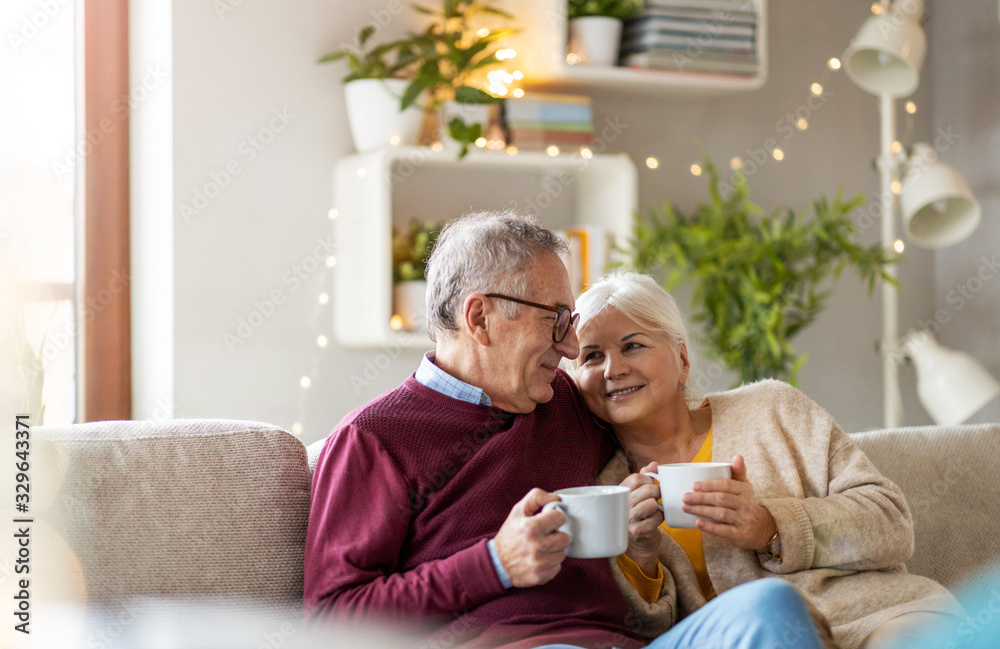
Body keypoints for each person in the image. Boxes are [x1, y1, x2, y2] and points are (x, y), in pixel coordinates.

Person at [304, 211, 828, 649]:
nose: (573, 349)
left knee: (770, 608)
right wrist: (493, 564)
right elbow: (334, 621)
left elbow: (658, 408)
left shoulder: (568, 404)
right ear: (481, 319)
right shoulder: (374, 439)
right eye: (556, 320)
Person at [570, 270, 963, 649]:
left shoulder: (772, 408)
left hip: (875, 616)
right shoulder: (605, 491)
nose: (613, 369)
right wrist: (640, 554)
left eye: (632, 345)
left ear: (683, 360)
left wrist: (769, 527)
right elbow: (648, 633)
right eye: (591, 356)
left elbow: (890, 521)